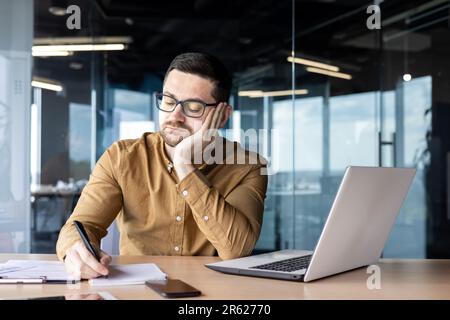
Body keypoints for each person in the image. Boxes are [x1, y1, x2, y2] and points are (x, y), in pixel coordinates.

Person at [56, 52, 268, 279]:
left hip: (212, 294)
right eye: (168, 101)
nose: (174, 116)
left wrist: (184, 165)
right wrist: (75, 251)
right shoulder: (121, 158)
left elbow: (236, 249)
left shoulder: (248, 166)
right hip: (137, 292)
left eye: (193, 107)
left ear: (222, 115)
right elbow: (80, 225)